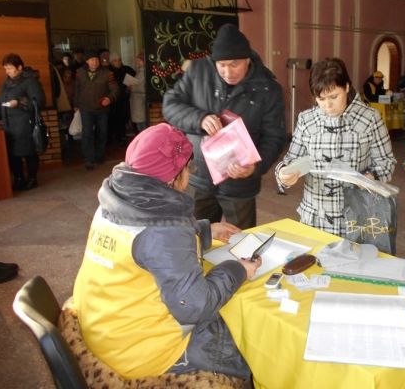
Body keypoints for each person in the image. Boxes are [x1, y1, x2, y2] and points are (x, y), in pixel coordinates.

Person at [72, 123, 258, 381]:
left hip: (103, 327)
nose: (189, 174)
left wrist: (203, 230)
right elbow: (194, 306)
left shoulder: (115, 200)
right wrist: (237, 269)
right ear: (173, 178)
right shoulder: (165, 228)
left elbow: (147, 248)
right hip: (139, 350)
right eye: (188, 168)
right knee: (251, 349)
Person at [162, 23, 287, 229]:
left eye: (234, 64)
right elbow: (170, 105)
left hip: (240, 182)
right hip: (199, 176)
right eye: (222, 65)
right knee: (196, 236)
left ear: (247, 59)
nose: (228, 72)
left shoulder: (267, 88)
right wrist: (200, 119)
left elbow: (274, 136)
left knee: (242, 239)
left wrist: (255, 167)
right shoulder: (198, 72)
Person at [275, 58, 396, 236]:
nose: (327, 105)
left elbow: (386, 161)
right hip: (315, 218)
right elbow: (290, 160)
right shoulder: (306, 119)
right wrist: (283, 174)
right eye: (321, 98)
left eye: (333, 97)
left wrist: (371, 177)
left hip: (356, 218)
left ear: (346, 87)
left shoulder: (370, 118)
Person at [0, 53, 46, 190]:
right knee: (13, 154)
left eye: (10, 68)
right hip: (9, 125)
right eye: (5, 69)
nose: (7, 71)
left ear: (19, 67)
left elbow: (39, 101)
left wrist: (19, 102)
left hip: (25, 123)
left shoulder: (30, 81)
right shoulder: (7, 83)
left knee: (28, 151)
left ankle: (32, 178)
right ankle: (19, 178)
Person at [74, 50, 118, 169]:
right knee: (87, 133)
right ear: (87, 61)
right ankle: (88, 159)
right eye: (92, 60)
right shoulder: (79, 72)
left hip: (101, 109)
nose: (94, 62)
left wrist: (109, 98)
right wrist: (76, 105)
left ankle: (99, 155)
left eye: (96, 60)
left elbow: (115, 89)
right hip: (86, 108)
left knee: (102, 133)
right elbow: (77, 89)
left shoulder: (107, 73)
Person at [109, 52, 135, 143]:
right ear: (111, 62)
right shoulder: (109, 71)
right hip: (113, 100)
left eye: (119, 60)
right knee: (113, 118)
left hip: (124, 99)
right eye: (115, 61)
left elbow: (133, 78)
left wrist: (130, 86)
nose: (118, 62)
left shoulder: (126, 69)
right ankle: (113, 137)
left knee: (123, 118)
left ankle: (121, 136)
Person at [129, 51, 147, 133]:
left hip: (140, 104)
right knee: (141, 126)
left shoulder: (144, 73)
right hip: (138, 104)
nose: (137, 62)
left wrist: (132, 87)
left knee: (142, 128)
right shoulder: (140, 72)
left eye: (139, 60)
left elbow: (144, 88)